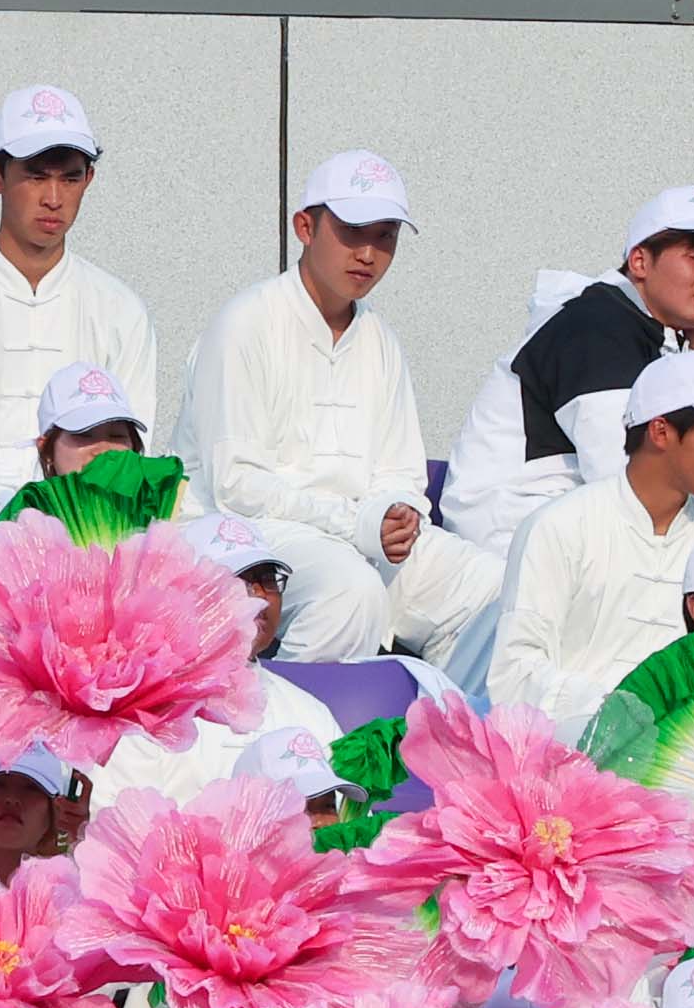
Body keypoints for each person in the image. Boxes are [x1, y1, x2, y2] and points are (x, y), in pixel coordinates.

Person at [178, 148, 492, 659]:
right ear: (305, 227)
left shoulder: (381, 340)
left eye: (384, 236)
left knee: (494, 588)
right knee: (350, 594)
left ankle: (446, 709)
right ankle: (287, 709)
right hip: (245, 534)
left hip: (358, 536)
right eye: (352, 232)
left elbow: (402, 473)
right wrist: (358, 525)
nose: (368, 253)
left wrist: (397, 515)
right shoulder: (245, 324)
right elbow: (237, 486)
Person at [0, 87, 161, 522]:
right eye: (36, 177)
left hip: (86, 526)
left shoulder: (121, 311)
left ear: (89, 180)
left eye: (70, 178)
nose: (54, 198)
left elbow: (127, 450)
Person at [461, 185, 694, 552]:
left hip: (575, 532)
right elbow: (628, 479)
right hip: (515, 545)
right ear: (640, 262)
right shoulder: (596, 326)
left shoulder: (651, 334)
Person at [492, 350, 694, 741]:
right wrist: (621, 707)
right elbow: (514, 676)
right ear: (660, 432)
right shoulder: (557, 527)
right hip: (569, 751)